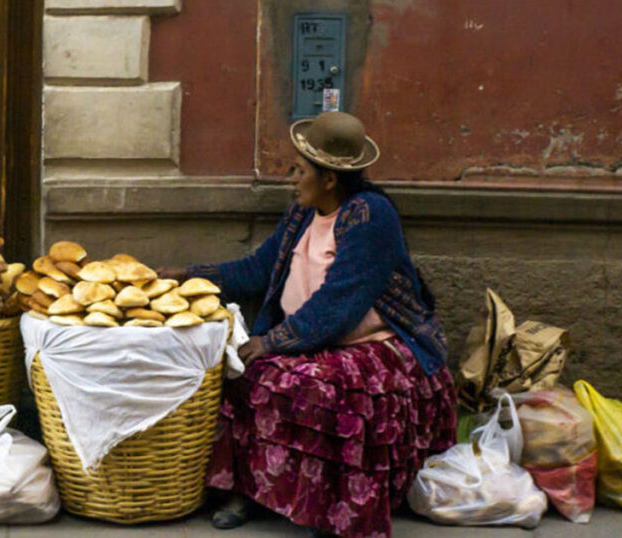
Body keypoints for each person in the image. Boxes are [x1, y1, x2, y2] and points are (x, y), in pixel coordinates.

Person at [158, 111, 457, 537]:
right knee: (248, 376)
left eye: (299, 170)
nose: (291, 178)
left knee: (322, 387)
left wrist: (274, 340)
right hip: (313, 338)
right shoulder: (303, 213)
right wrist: (188, 277)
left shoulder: (370, 215)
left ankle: (330, 509)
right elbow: (257, 269)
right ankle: (250, 492)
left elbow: (341, 304)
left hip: (377, 342)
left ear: (330, 178)